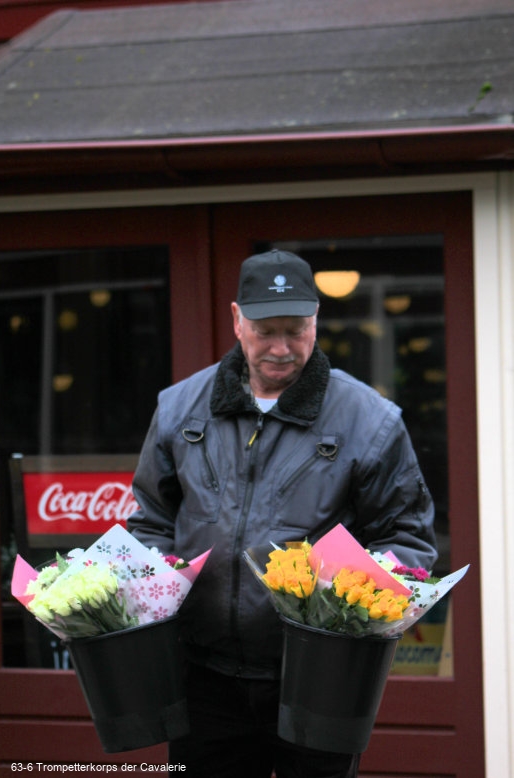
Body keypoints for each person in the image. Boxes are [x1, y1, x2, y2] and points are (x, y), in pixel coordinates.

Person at [128, 249, 438, 778]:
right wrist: (143, 589)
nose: (280, 348)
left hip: (321, 680)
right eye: (265, 330)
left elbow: (407, 539)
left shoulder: (371, 420)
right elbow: (151, 522)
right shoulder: (179, 407)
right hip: (204, 678)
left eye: (295, 331)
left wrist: (351, 603)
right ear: (236, 320)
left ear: (316, 320)